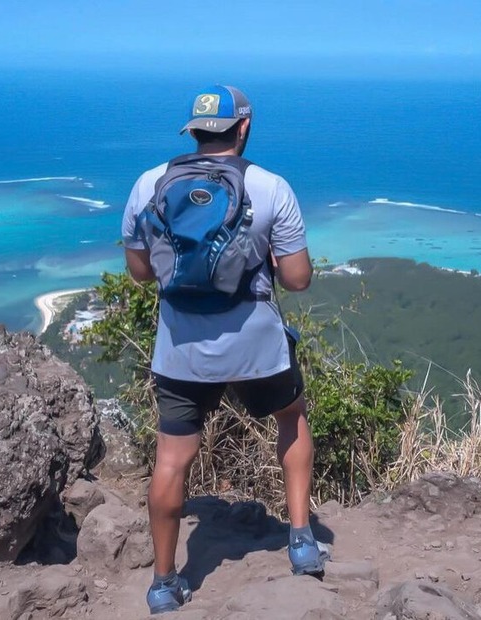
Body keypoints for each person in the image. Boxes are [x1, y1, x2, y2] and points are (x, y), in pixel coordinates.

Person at [121, 84, 326, 615]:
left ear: (191, 131)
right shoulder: (270, 186)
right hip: (255, 344)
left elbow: (141, 274)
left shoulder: (149, 184)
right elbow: (299, 280)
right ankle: (301, 540)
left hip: (180, 347)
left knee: (173, 458)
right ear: (244, 128)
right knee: (291, 417)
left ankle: (165, 583)